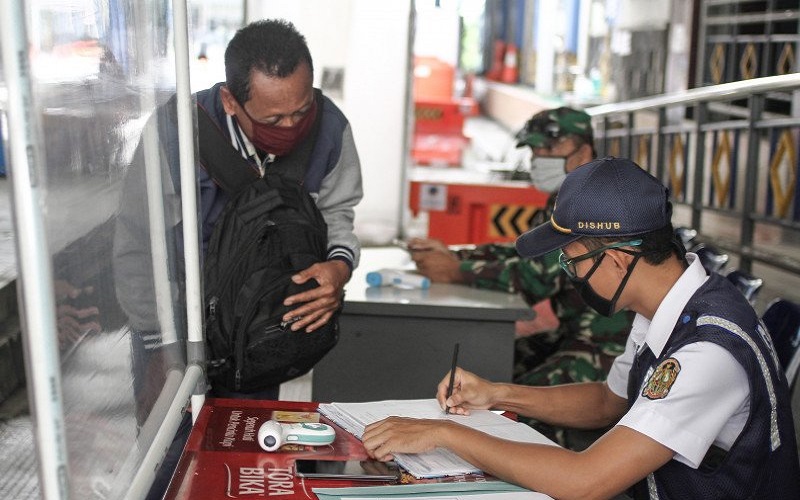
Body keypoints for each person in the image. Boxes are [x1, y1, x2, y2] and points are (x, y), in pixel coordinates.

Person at [363, 157, 800, 500]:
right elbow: (608, 401)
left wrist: (444, 433)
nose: (571, 276)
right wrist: (497, 394)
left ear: (617, 260)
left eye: (572, 262)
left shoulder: (707, 352)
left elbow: (585, 481)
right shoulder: (665, 305)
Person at [113, 19, 363, 499]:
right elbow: (139, 243)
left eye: (301, 110)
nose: (291, 128)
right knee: (168, 461)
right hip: (176, 330)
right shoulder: (176, 133)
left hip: (262, 330)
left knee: (249, 455)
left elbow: (338, 212)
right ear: (230, 100)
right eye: (273, 119)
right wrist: (159, 344)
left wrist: (339, 266)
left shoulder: (330, 128)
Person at [409, 107, 633, 403]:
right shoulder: (567, 196)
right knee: (493, 364)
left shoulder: (593, 203)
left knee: (514, 406)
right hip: (572, 332)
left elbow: (536, 277)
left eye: (550, 148)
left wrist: (455, 271)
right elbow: (526, 250)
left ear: (583, 152)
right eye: (535, 150)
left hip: (608, 346)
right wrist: (456, 255)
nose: (539, 157)